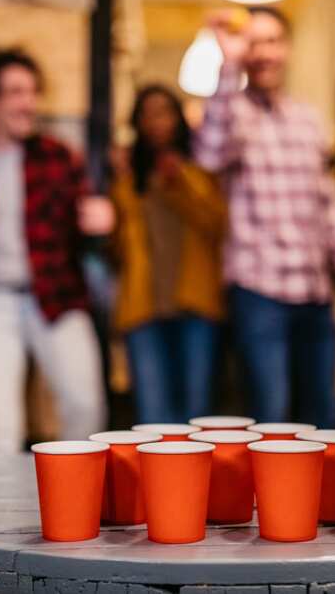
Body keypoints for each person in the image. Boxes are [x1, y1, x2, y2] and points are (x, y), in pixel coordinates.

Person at [194, 7, 335, 428]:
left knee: (323, 414)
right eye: (254, 43)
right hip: (259, 291)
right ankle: (269, 498)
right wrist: (228, 64)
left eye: (272, 41)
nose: (264, 52)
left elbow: (326, 201)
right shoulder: (234, 114)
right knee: (271, 417)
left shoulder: (309, 119)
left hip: (315, 290)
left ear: (287, 48)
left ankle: (320, 497)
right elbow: (210, 153)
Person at [0, 48, 111, 459]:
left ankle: (75, 514)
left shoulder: (58, 156)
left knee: (87, 409)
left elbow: (87, 233)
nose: (28, 103)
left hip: (56, 293)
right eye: (16, 93)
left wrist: (103, 223)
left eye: (33, 92)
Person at [110, 84, 226, 423]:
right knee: (152, 416)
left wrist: (182, 180)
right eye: (146, 114)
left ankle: (192, 479)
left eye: (163, 111)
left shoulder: (203, 170)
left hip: (196, 303)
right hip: (143, 305)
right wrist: (120, 179)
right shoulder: (128, 181)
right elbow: (117, 247)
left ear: (178, 118)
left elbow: (217, 225)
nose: (155, 121)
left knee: (197, 414)